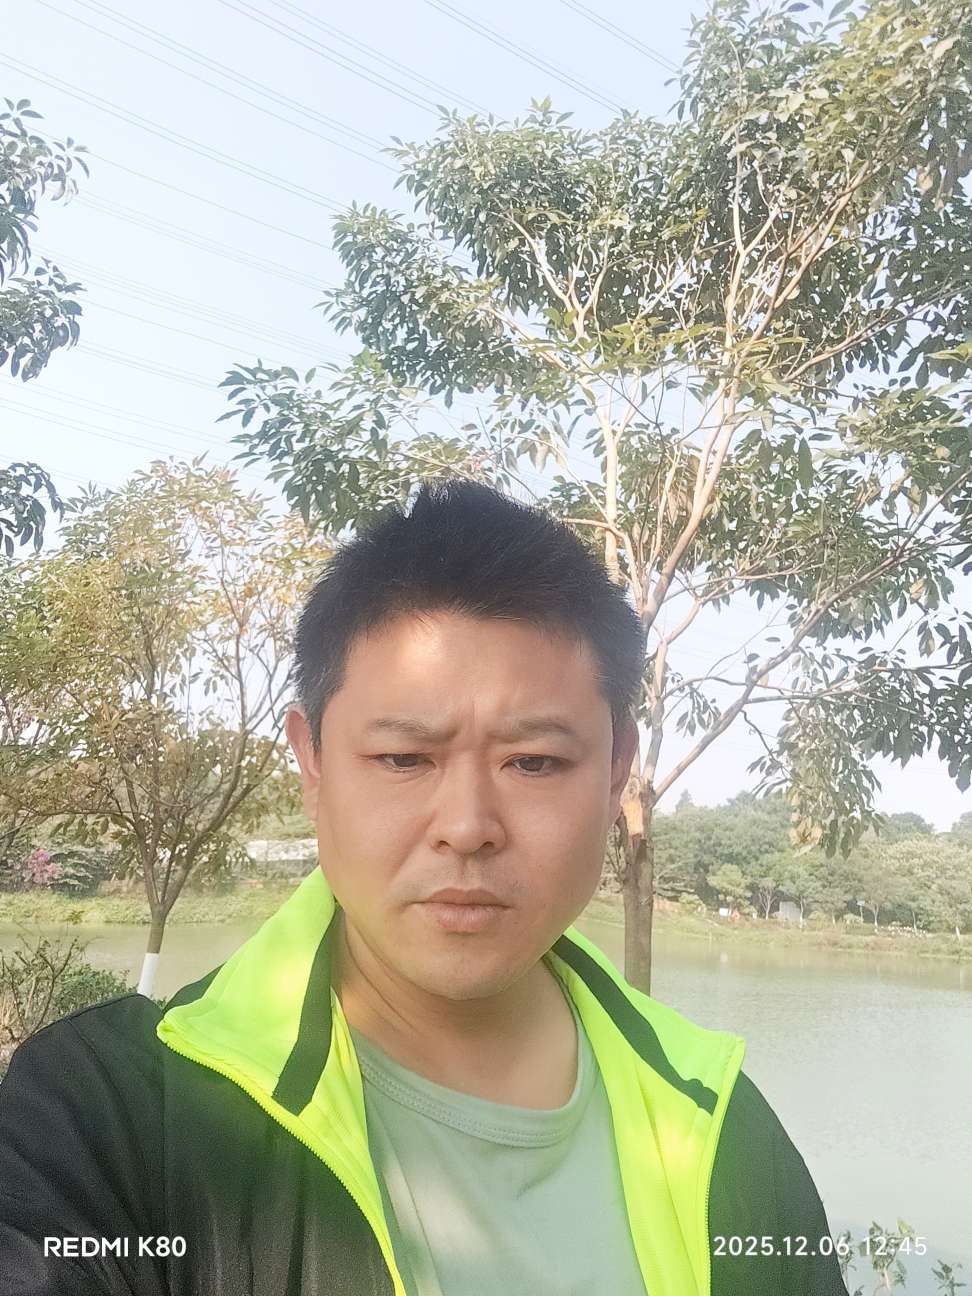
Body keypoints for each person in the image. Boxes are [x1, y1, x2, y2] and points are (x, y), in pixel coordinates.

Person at [0, 479, 849, 1296]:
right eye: (404, 758)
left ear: (617, 768)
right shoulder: (102, 1121)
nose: (468, 826)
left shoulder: (723, 1127)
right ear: (312, 763)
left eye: (534, 762)